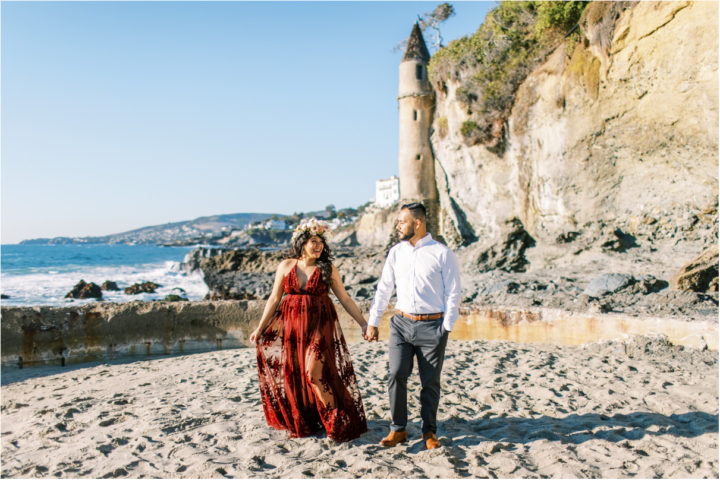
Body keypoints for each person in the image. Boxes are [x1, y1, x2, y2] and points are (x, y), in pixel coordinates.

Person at [249, 218, 368, 442]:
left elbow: (344, 297)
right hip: (292, 328)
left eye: (321, 242)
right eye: (314, 241)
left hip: (320, 325)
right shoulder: (285, 266)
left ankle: (336, 419)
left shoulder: (327, 268)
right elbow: (274, 299)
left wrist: (363, 323)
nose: (318, 246)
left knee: (314, 374)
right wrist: (259, 328)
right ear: (302, 242)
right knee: (293, 374)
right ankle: (308, 420)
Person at [364, 202, 461, 450]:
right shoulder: (396, 252)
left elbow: (453, 291)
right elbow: (384, 288)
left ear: (417, 223)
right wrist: (373, 321)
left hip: (432, 327)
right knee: (396, 374)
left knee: (430, 383)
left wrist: (446, 326)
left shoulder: (442, 253)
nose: (398, 226)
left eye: (402, 221)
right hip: (401, 324)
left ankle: (429, 432)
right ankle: (398, 429)